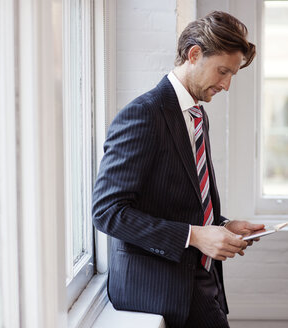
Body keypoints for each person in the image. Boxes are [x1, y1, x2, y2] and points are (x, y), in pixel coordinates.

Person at [92, 11, 264, 328]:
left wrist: (224, 226)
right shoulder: (143, 115)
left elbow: (181, 200)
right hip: (162, 288)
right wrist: (195, 236)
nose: (226, 85)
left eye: (232, 76)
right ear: (194, 54)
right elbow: (107, 211)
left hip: (201, 281)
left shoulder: (197, 115)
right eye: (222, 71)